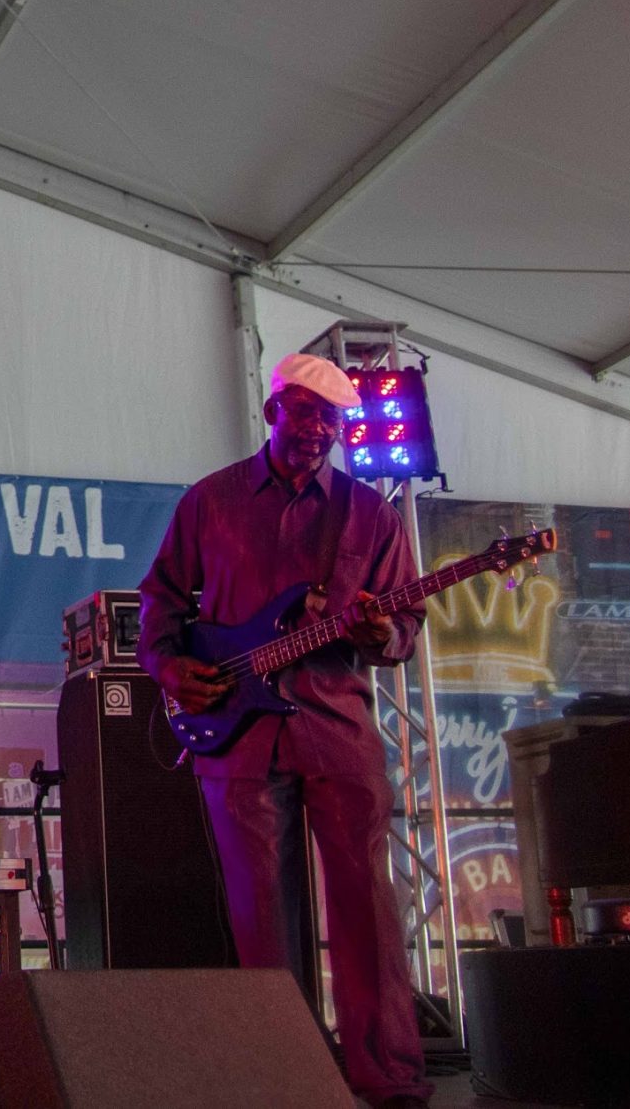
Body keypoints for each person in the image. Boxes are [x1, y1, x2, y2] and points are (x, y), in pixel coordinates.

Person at [136, 352, 430, 1109]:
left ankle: (387, 1075)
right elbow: (162, 599)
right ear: (273, 412)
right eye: (304, 413)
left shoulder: (371, 513)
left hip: (338, 724)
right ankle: (285, 1075)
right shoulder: (212, 500)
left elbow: (404, 627)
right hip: (236, 732)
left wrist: (374, 632)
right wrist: (172, 669)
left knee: (366, 902)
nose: (317, 430)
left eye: (330, 420)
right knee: (258, 912)